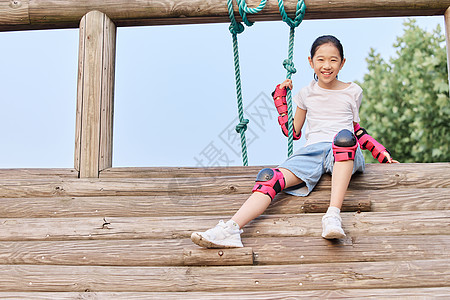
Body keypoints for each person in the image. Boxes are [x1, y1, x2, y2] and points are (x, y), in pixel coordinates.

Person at [191, 35, 398, 248]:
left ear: (342, 63)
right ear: (311, 62)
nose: (327, 66)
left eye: (333, 60)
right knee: (269, 178)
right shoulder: (305, 93)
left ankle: (332, 215)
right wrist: (280, 96)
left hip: (344, 149)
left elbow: (356, 130)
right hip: (313, 151)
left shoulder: (353, 91)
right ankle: (231, 229)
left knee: (344, 139)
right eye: (321, 60)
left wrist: (380, 151)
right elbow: (293, 131)